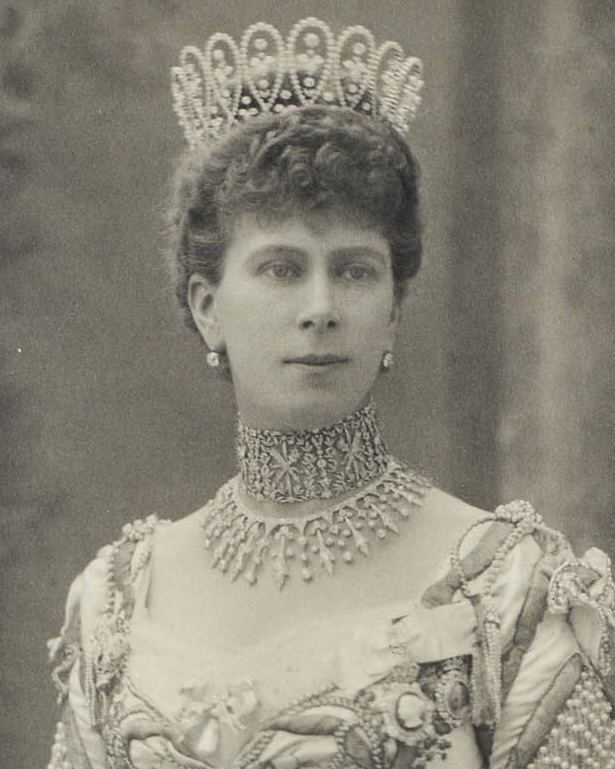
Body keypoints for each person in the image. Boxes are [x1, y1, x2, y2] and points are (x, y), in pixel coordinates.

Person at [47, 17, 615, 769]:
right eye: (281, 268)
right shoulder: (117, 600)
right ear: (206, 305)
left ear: (392, 312)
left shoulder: (510, 589)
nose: (321, 306)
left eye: (353, 269)